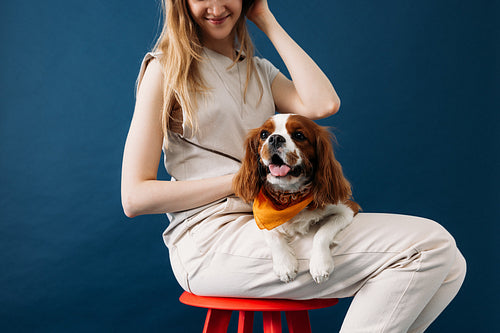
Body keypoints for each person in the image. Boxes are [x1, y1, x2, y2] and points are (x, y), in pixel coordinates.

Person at [121, 0, 466, 331]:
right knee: (431, 245)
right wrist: (243, 180)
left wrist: (265, 18)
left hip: (279, 223)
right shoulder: (166, 69)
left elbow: (324, 103)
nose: (216, 6)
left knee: (451, 266)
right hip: (213, 240)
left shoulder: (257, 71)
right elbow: (134, 198)